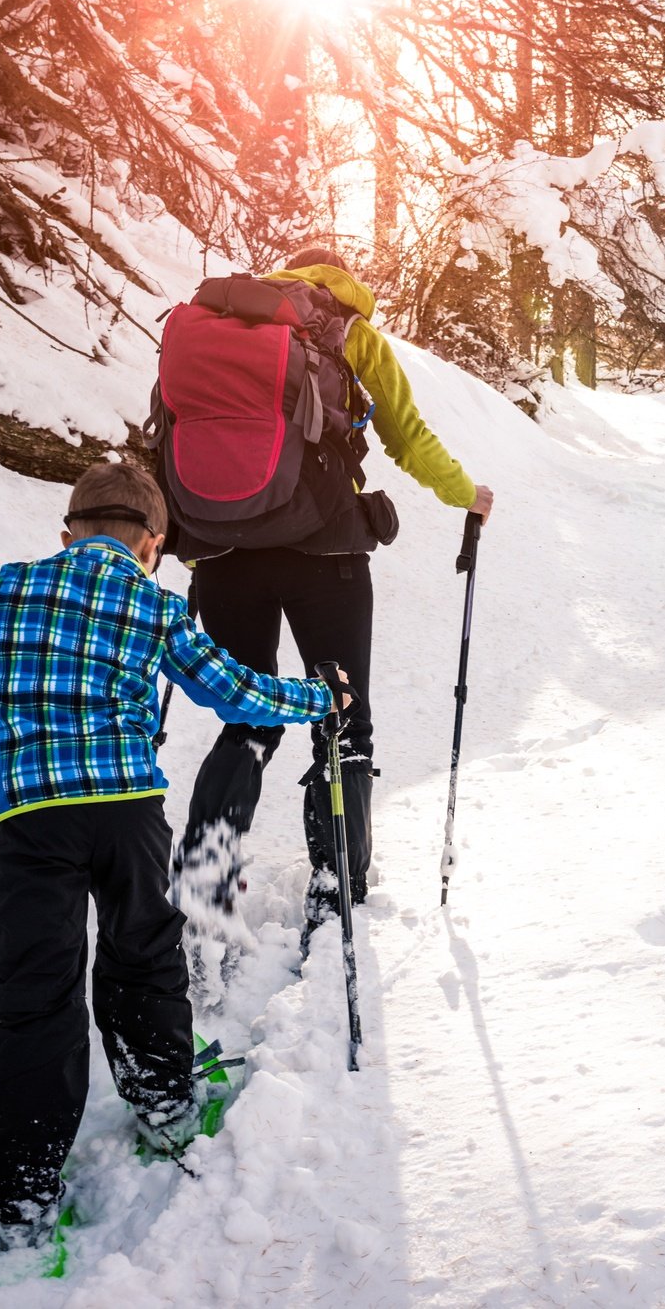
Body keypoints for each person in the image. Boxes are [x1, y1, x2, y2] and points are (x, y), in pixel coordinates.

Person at [0, 462, 349, 1275]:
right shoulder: (157, 603)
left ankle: (23, 1198)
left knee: (38, 992)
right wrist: (318, 698)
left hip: (32, 821)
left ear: (68, 534)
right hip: (128, 809)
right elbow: (234, 693)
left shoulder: (10, 589)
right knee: (143, 954)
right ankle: (165, 1102)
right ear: (155, 546)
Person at [171, 245, 494, 944]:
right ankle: (337, 887)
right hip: (327, 553)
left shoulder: (216, 324)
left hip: (224, 548)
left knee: (247, 718)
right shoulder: (350, 331)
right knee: (344, 716)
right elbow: (408, 439)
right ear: (340, 278)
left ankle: (204, 880)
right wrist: (467, 494)